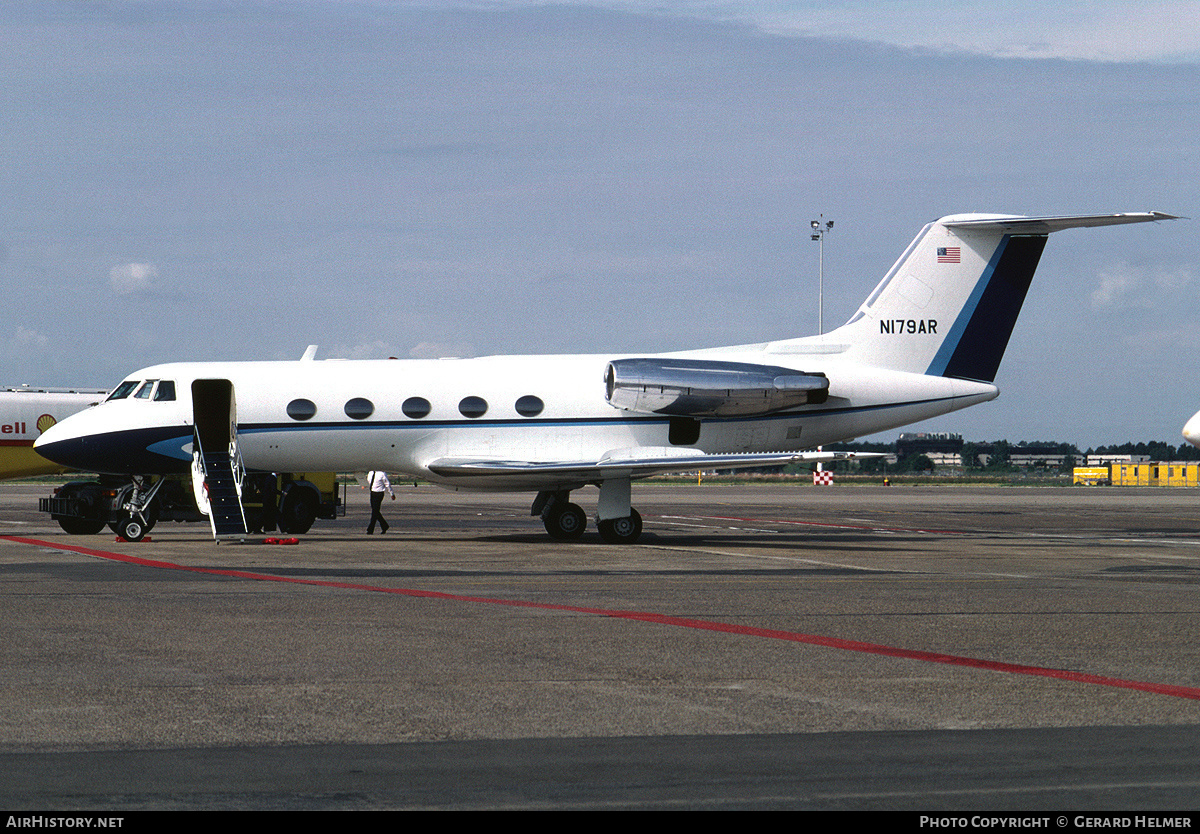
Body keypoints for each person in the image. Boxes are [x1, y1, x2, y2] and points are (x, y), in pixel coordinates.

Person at [365, 470, 395, 534]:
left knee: (374, 512)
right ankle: (384, 526)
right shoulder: (370, 473)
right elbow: (368, 481)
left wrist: (391, 493)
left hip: (379, 493)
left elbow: (387, 484)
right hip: (372, 493)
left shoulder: (382, 473)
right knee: (375, 511)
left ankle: (370, 529)